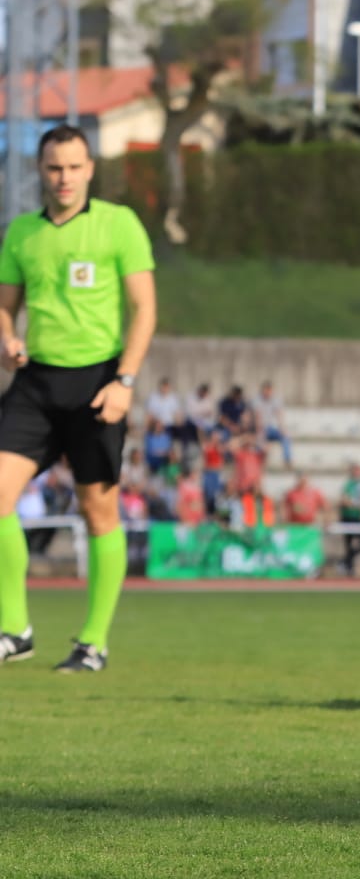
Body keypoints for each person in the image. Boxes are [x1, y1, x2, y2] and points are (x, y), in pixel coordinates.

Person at [0, 124, 156, 672]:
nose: (63, 177)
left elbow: (145, 309)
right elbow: (5, 307)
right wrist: (7, 340)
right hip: (36, 385)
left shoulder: (119, 224)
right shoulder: (21, 232)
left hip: (98, 386)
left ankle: (93, 642)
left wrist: (126, 382)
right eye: (52, 168)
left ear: (90, 168)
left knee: (99, 513)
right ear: (40, 171)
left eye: (72, 167)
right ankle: (15, 628)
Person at [337, 462, 360, 575]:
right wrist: (358, 503)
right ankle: (349, 568)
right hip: (347, 516)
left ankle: (345, 561)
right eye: (355, 470)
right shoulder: (348, 484)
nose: (357, 473)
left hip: (357, 517)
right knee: (348, 544)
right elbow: (344, 500)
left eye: (359, 470)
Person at [254, 380, 293, 469]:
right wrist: (260, 431)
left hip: (270, 428)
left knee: (286, 436)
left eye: (269, 390)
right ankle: (258, 461)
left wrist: (282, 428)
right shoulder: (257, 400)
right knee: (259, 440)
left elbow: (279, 415)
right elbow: (257, 417)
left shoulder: (275, 400)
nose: (267, 392)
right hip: (260, 428)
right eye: (266, 390)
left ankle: (287, 459)